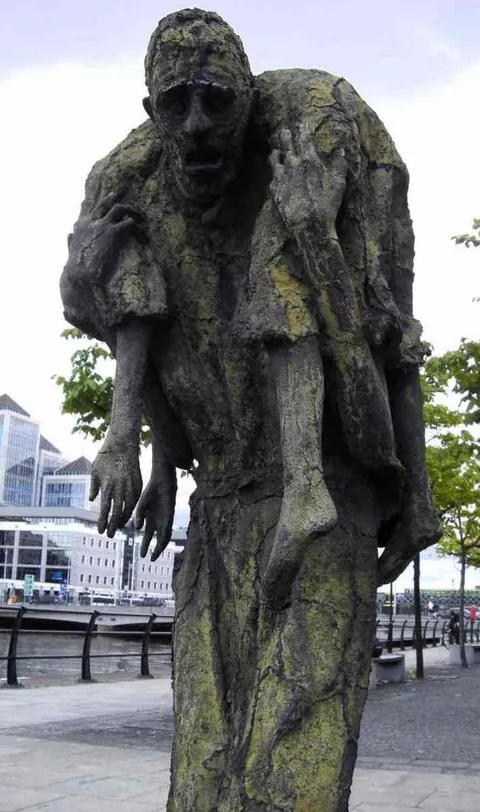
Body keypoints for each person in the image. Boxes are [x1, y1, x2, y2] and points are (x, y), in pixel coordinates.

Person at [61, 9, 441, 809]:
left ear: (247, 96)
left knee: (289, 756)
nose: (196, 129)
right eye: (175, 106)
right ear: (149, 112)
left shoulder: (318, 122)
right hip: (222, 504)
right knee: (205, 757)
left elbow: (388, 323)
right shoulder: (129, 183)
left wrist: (420, 493)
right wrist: (83, 292)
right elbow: (133, 317)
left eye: (216, 102)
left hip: (330, 498)